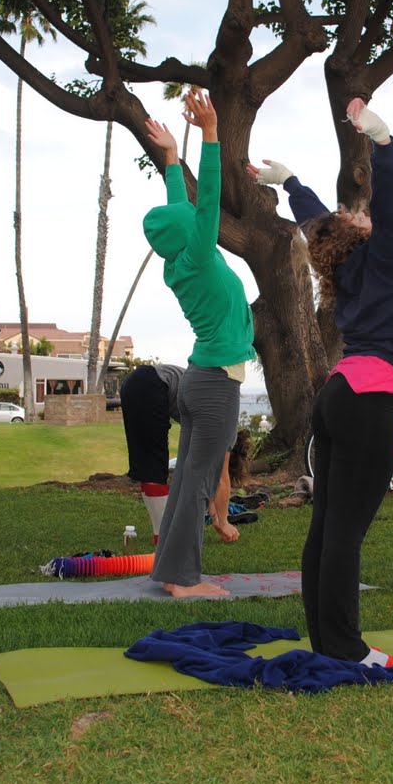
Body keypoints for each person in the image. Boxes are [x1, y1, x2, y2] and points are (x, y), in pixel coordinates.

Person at [252, 96, 393, 666]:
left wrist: (290, 183)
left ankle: (327, 641)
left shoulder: (346, 266)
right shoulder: (391, 260)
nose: (363, 215)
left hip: (337, 400)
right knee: (346, 533)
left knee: (328, 528)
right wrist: (384, 146)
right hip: (368, 404)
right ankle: (347, 649)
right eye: (359, 218)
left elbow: (317, 224)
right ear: (361, 236)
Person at [142, 88, 255, 597]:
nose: (194, 215)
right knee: (198, 486)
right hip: (213, 388)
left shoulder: (179, 260)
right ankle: (183, 580)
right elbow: (204, 199)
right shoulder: (202, 256)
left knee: (190, 483)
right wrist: (210, 134)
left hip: (200, 381)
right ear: (193, 233)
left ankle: (170, 574)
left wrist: (170, 156)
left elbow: (180, 206)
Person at [119, 362, 244, 543]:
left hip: (136, 381)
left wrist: (213, 513)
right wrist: (223, 522)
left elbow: (205, 477)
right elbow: (221, 479)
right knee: (153, 467)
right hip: (152, 384)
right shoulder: (226, 433)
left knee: (148, 466)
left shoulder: (215, 416)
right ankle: (165, 538)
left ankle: (163, 535)